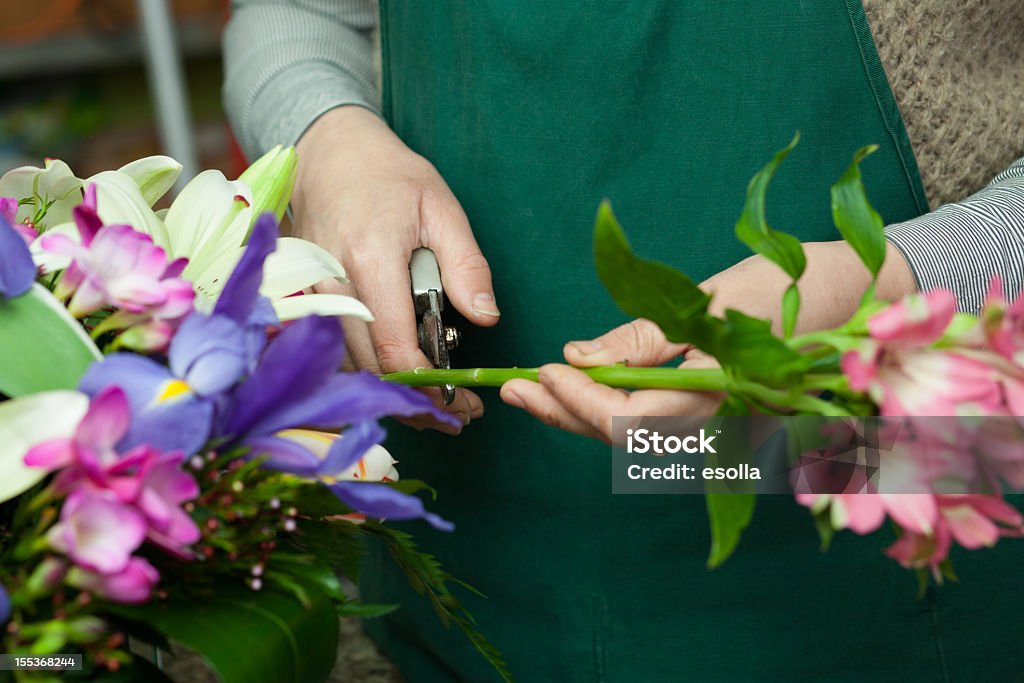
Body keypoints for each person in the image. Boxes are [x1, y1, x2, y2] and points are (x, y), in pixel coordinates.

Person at [224, 1, 1024, 680]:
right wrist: (327, 139)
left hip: (890, 547)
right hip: (469, 577)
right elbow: (295, 15)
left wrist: (896, 282)